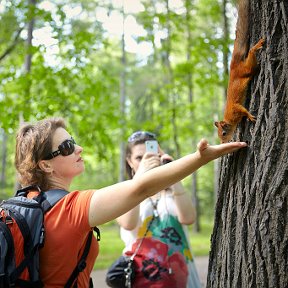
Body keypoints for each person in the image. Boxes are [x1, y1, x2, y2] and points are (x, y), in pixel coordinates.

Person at [15, 118, 247, 287]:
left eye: (73, 141)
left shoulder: (29, 203)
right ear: (45, 165)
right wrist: (200, 158)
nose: (78, 148)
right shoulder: (69, 207)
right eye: (66, 147)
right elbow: (140, 189)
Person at [117, 131, 202, 287]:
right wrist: (140, 176)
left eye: (150, 155)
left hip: (182, 275)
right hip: (144, 277)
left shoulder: (173, 191)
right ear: (129, 161)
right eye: (138, 158)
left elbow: (189, 218)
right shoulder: (123, 191)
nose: (145, 161)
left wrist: (173, 172)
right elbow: (128, 223)